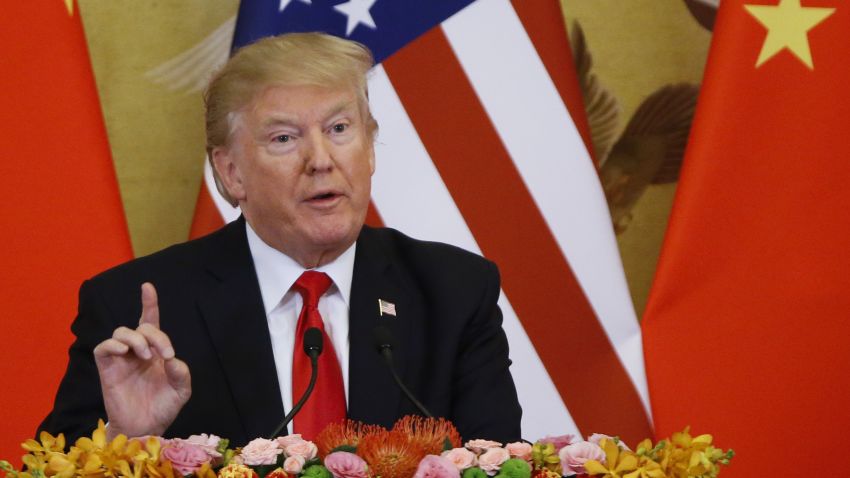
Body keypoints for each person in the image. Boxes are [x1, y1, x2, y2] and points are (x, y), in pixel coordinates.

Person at [39, 32, 521, 446]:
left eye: (338, 128)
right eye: (284, 138)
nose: (320, 159)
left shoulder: (453, 291)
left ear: (370, 148)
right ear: (231, 174)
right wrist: (128, 441)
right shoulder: (137, 310)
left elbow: (500, 462)